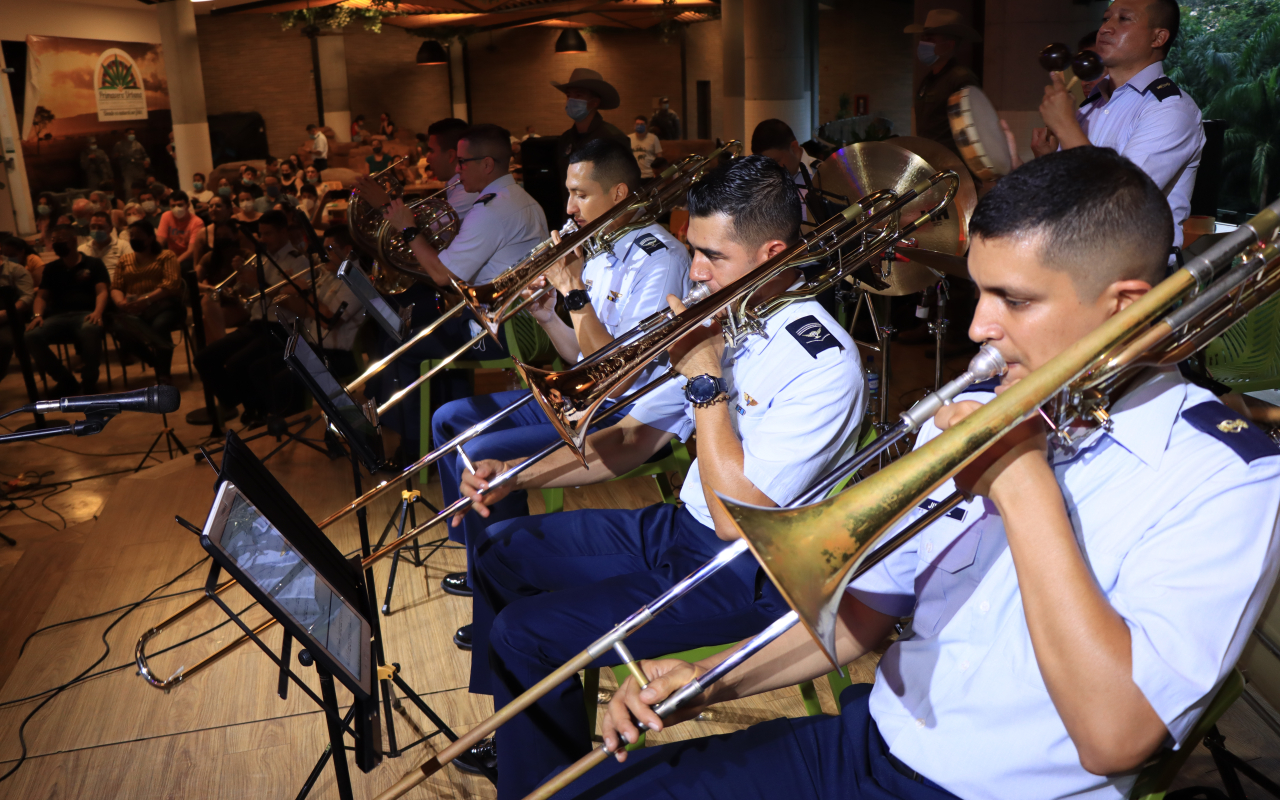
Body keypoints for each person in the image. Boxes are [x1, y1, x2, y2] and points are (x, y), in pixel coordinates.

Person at [565, 146, 1280, 800]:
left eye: (1017, 301)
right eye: (981, 293)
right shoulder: (981, 410)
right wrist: (712, 678)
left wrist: (1022, 484)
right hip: (873, 739)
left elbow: (1114, 737)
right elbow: (861, 618)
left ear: (1123, 306)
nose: (977, 328)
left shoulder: (1227, 477)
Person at [454, 155, 866, 795]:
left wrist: (703, 380)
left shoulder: (822, 362)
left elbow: (737, 524)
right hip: (679, 526)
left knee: (521, 632)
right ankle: (530, 740)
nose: (694, 270)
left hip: (744, 571)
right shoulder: (728, 317)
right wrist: (517, 472)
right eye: (693, 249)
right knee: (502, 553)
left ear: (773, 253)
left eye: (712, 256)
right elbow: (634, 440)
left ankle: (540, 783)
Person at [432, 136, 692, 599]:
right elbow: (578, 358)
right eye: (569, 192)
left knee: (483, 447)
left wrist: (572, 290)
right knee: (448, 419)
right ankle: (484, 563)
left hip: (624, 411)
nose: (568, 207)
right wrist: (548, 313)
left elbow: (620, 373)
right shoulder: (597, 246)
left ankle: (505, 583)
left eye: (580, 194)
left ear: (618, 196)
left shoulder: (661, 257)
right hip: (584, 395)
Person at [352, 123, 548, 457]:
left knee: (402, 344)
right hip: (525, 328)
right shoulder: (525, 201)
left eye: (463, 162)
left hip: (498, 335)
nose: (457, 170)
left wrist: (408, 228)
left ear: (487, 165)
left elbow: (443, 275)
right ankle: (444, 433)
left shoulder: (490, 211)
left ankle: (415, 449)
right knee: (420, 334)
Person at [1019, 0, 1203, 249]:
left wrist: (1065, 126)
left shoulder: (1170, 108)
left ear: (1157, 38)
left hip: (1136, 276)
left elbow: (1122, 200)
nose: (1105, 28)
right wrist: (1046, 160)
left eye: (1124, 19)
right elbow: (1067, 200)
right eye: (1106, 18)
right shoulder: (1090, 106)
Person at [192, 210, 309, 427]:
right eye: (261, 234)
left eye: (268, 234)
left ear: (283, 232)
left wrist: (257, 283)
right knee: (205, 358)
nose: (262, 239)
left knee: (238, 363)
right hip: (256, 323)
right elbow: (251, 295)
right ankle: (243, 404)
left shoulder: (299, 261)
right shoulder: (262, 258)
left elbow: (291, 301)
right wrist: (243, 277)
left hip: (282, 327)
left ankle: (257, 411)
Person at [24, 224, 110, 397]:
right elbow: (41, 296)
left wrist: (97, 312)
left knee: (90, 329)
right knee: (31, 335)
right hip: (58, 316)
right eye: (53, 241)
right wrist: (37, 315)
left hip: (85, 314)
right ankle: (66, 381)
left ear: (73, 240)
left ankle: (89, 380)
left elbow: (102, 291)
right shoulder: (51, 268)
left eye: (60, 240)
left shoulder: (93, 264)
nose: (56, 244)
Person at [110, 220, 183, 384]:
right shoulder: (125, 260)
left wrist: (147, 300)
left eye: (138, 235)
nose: (133, 238)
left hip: (165, 305)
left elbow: (171, 284)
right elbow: (116, 286)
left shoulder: (166, 256)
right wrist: (121, 303)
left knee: (159, 326)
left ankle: (164, 373)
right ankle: (155, 362)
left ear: (150, 238)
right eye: (132, 235)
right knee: (120, 329)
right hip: (136, 308)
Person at [906, 9, 982, 158]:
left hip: (951, 164)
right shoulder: (929, 79)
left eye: (930, 39)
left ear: (949, 45)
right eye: (923, 38)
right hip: (929, 160)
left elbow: (973, 130)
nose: (922, 43)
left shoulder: (961, 79)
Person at [554, 68, 630, 210]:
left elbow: (623, 184)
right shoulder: (566, 139)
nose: (571, 100)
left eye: (578, 95)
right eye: (569, 95)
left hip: (603, 216)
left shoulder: (612, 138)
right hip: (572, 215)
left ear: (594, 102)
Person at [422, 118, 481, 219]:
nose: (427, 159)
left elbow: (432, 232)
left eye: (432, 151)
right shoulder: (458, 187)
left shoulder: (465, 193)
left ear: (451, 155)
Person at [0, 241, 35, 380]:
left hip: (10, 320)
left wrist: (6, 313)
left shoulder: (15, 270)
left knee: (3, 343)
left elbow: (27, 297)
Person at [155, 190, 205, 270]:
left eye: (180, 205)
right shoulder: (166, 216)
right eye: (173, 206)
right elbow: (160, 241)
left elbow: (191, 251)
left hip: (189, 260)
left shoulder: (197, 222)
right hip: (172, 257)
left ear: (187, 205)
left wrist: (174, 263)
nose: (176, 208)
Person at [79, 211, 133, 282]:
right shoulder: (82, 250)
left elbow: (131, 271)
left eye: (100, 227)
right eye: (93, 227)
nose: (96, 230)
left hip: (118, 287)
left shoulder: (123, 246)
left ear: (110, 229)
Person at [113, 129, 150, 195]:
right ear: (126, 134)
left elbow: (145, 155)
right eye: (130, 133)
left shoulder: (138, 144)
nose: (132, 135)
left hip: (139, 169)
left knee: (141, 188)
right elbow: (114, 157)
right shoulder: (119, 145)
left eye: (133, 133)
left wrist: (147, 161)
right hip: (127, 170)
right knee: (129, 189)